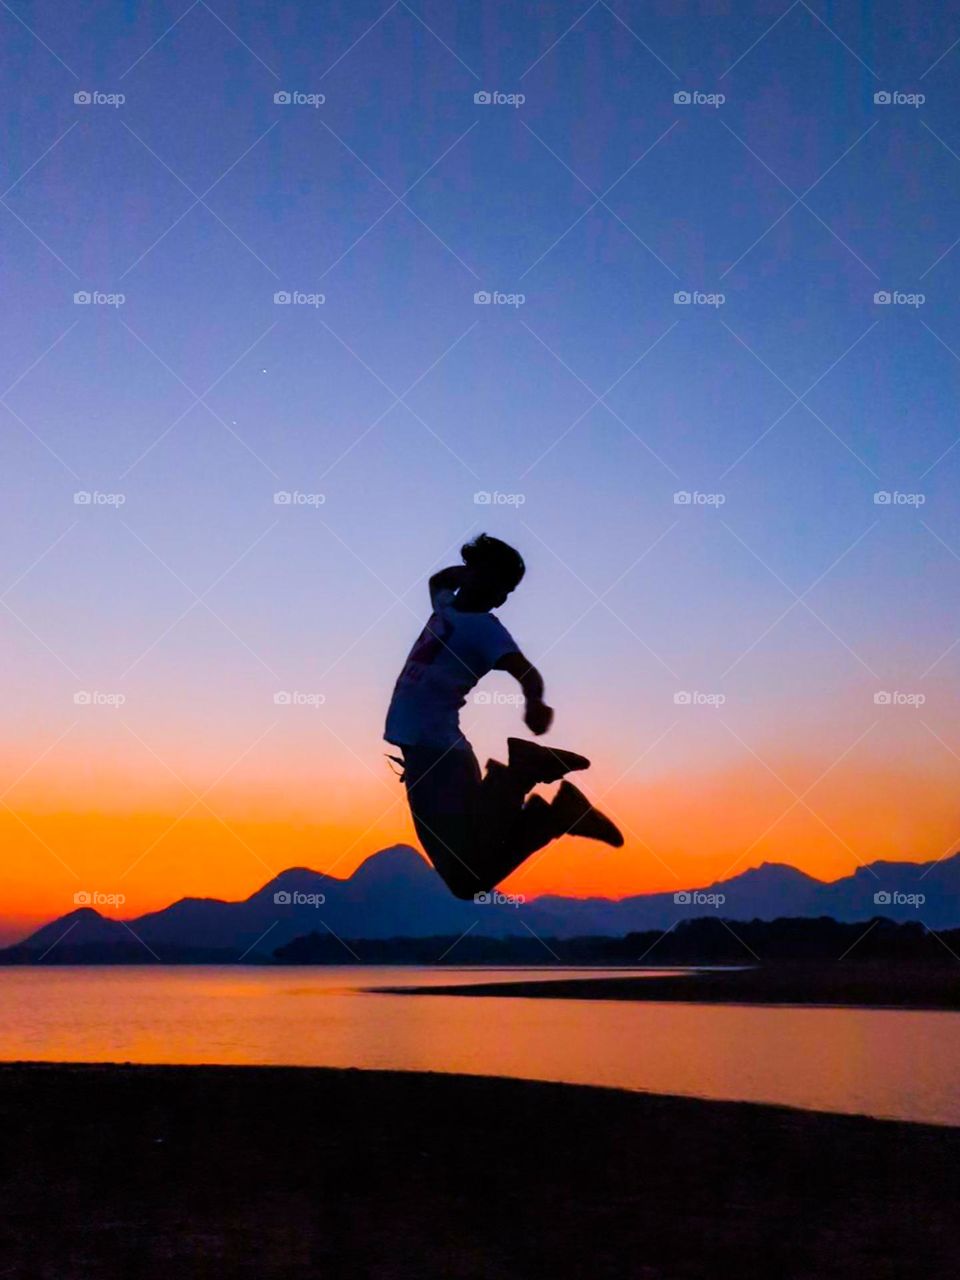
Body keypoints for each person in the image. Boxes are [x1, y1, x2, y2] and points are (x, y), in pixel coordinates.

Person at [384, 533, 623, 901]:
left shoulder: (486, 629)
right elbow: (439, 581)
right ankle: (553, 809)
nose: (503, 597)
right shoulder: (446, 608)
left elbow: (527, 672)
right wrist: (465, 573)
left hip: (439, 755)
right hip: (429, 755)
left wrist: (535, 704)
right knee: (467, 881)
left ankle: (528, 782)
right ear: (475, 572)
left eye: (509, 591)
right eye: (500, 584)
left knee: (467, 880)